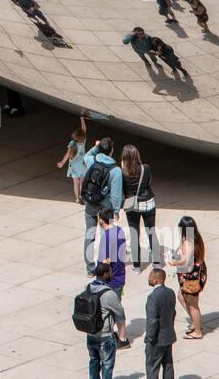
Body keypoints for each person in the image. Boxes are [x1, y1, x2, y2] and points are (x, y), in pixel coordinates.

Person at [83, 262, 126, 379]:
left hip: (90, 334)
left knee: (94, 363)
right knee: (107, 366)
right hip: (105, 336)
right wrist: (122, 336)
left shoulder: (88, 288)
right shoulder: (109, 294)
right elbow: (120, 314)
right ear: (106, 274)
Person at [79, 138, 122, 275]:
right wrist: (116, 211)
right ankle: (102, 267)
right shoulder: (115, 170)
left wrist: (95, 147)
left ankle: (90, 269)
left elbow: (86, 156)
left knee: (89, 235)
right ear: (111, 150)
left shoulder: (93, 161)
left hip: (91, 204)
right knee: (105, 238)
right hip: (105, 209)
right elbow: (116, 195)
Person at [141, 268, 177, 379]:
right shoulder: (170, 293)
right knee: (168, 365)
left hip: (157, 338)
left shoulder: (153, 297)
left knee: (152, 367)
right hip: (168, 335)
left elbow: (152, 321)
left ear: (156, 279)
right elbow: (173, 313)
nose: (149, 279)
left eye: (150, 276)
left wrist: (149, 338)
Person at [120, 144, 159, 269]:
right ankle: (156, 262)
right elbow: (148, 183)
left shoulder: (122, 172)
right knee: (151, 232)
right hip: (148, 202)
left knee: (134, 234)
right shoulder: (145, 168)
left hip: (132, 206)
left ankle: (136, 266)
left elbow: (122, 189)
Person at [167, 216, 206, 339]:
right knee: (181, 297)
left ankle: (198, 330)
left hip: (191, 279)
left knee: (193, 305)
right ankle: (195, 322)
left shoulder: (187, 243)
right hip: (196, 274)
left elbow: (184, 260)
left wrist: (174, 263)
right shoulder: (195, 238)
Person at [95, 209, 129, 347]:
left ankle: (122, 338)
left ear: (101, 220)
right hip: (119, 276)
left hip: (111, 280)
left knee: (115, 310)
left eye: (98, 217)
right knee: (115, 307)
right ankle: (118, 335)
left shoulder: (107, 237)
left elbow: (106, 261)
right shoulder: (119, 230)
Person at [57, 114, 87, 203]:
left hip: (74, 167)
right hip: (82, 166)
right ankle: (82, 196)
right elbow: (84, 129)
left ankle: (77, 198)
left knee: (75, 183)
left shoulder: (72, 143)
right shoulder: (83, 142)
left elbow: (67, 154)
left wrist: (62, 163)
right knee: (82, 182)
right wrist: (82, 119)